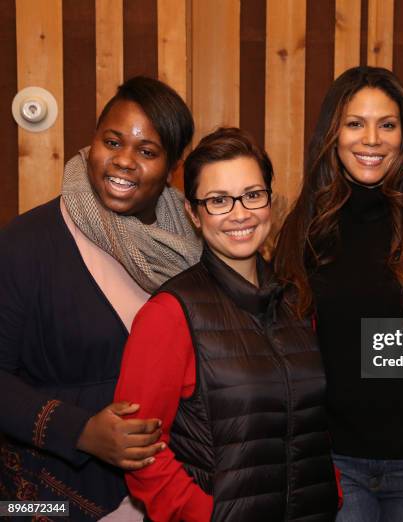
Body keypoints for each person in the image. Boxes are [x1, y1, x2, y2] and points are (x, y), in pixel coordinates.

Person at [0, 76, 201, 520]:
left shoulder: (194, 247)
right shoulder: (26, 242)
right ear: (92, 141)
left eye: (147, 151)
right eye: (112, 141)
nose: (124, 161)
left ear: (171, 167)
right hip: (47, 496)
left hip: (171, 492)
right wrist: (80, 431)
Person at [114, 127, 339, 522]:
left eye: (253, 195)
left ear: (270, 200)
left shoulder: (296, 301)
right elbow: (140, 452)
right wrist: (207, 515)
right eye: (219, 200)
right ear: (193, 213)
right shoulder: (169, 314)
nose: (240, 214)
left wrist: (330, 488)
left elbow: (312, 422)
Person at [274, 67, 403, 521]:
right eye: (355, 123)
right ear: (333, 134)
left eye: (387, 124)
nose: (371, 139)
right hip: (335, 461)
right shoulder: (305, 227)